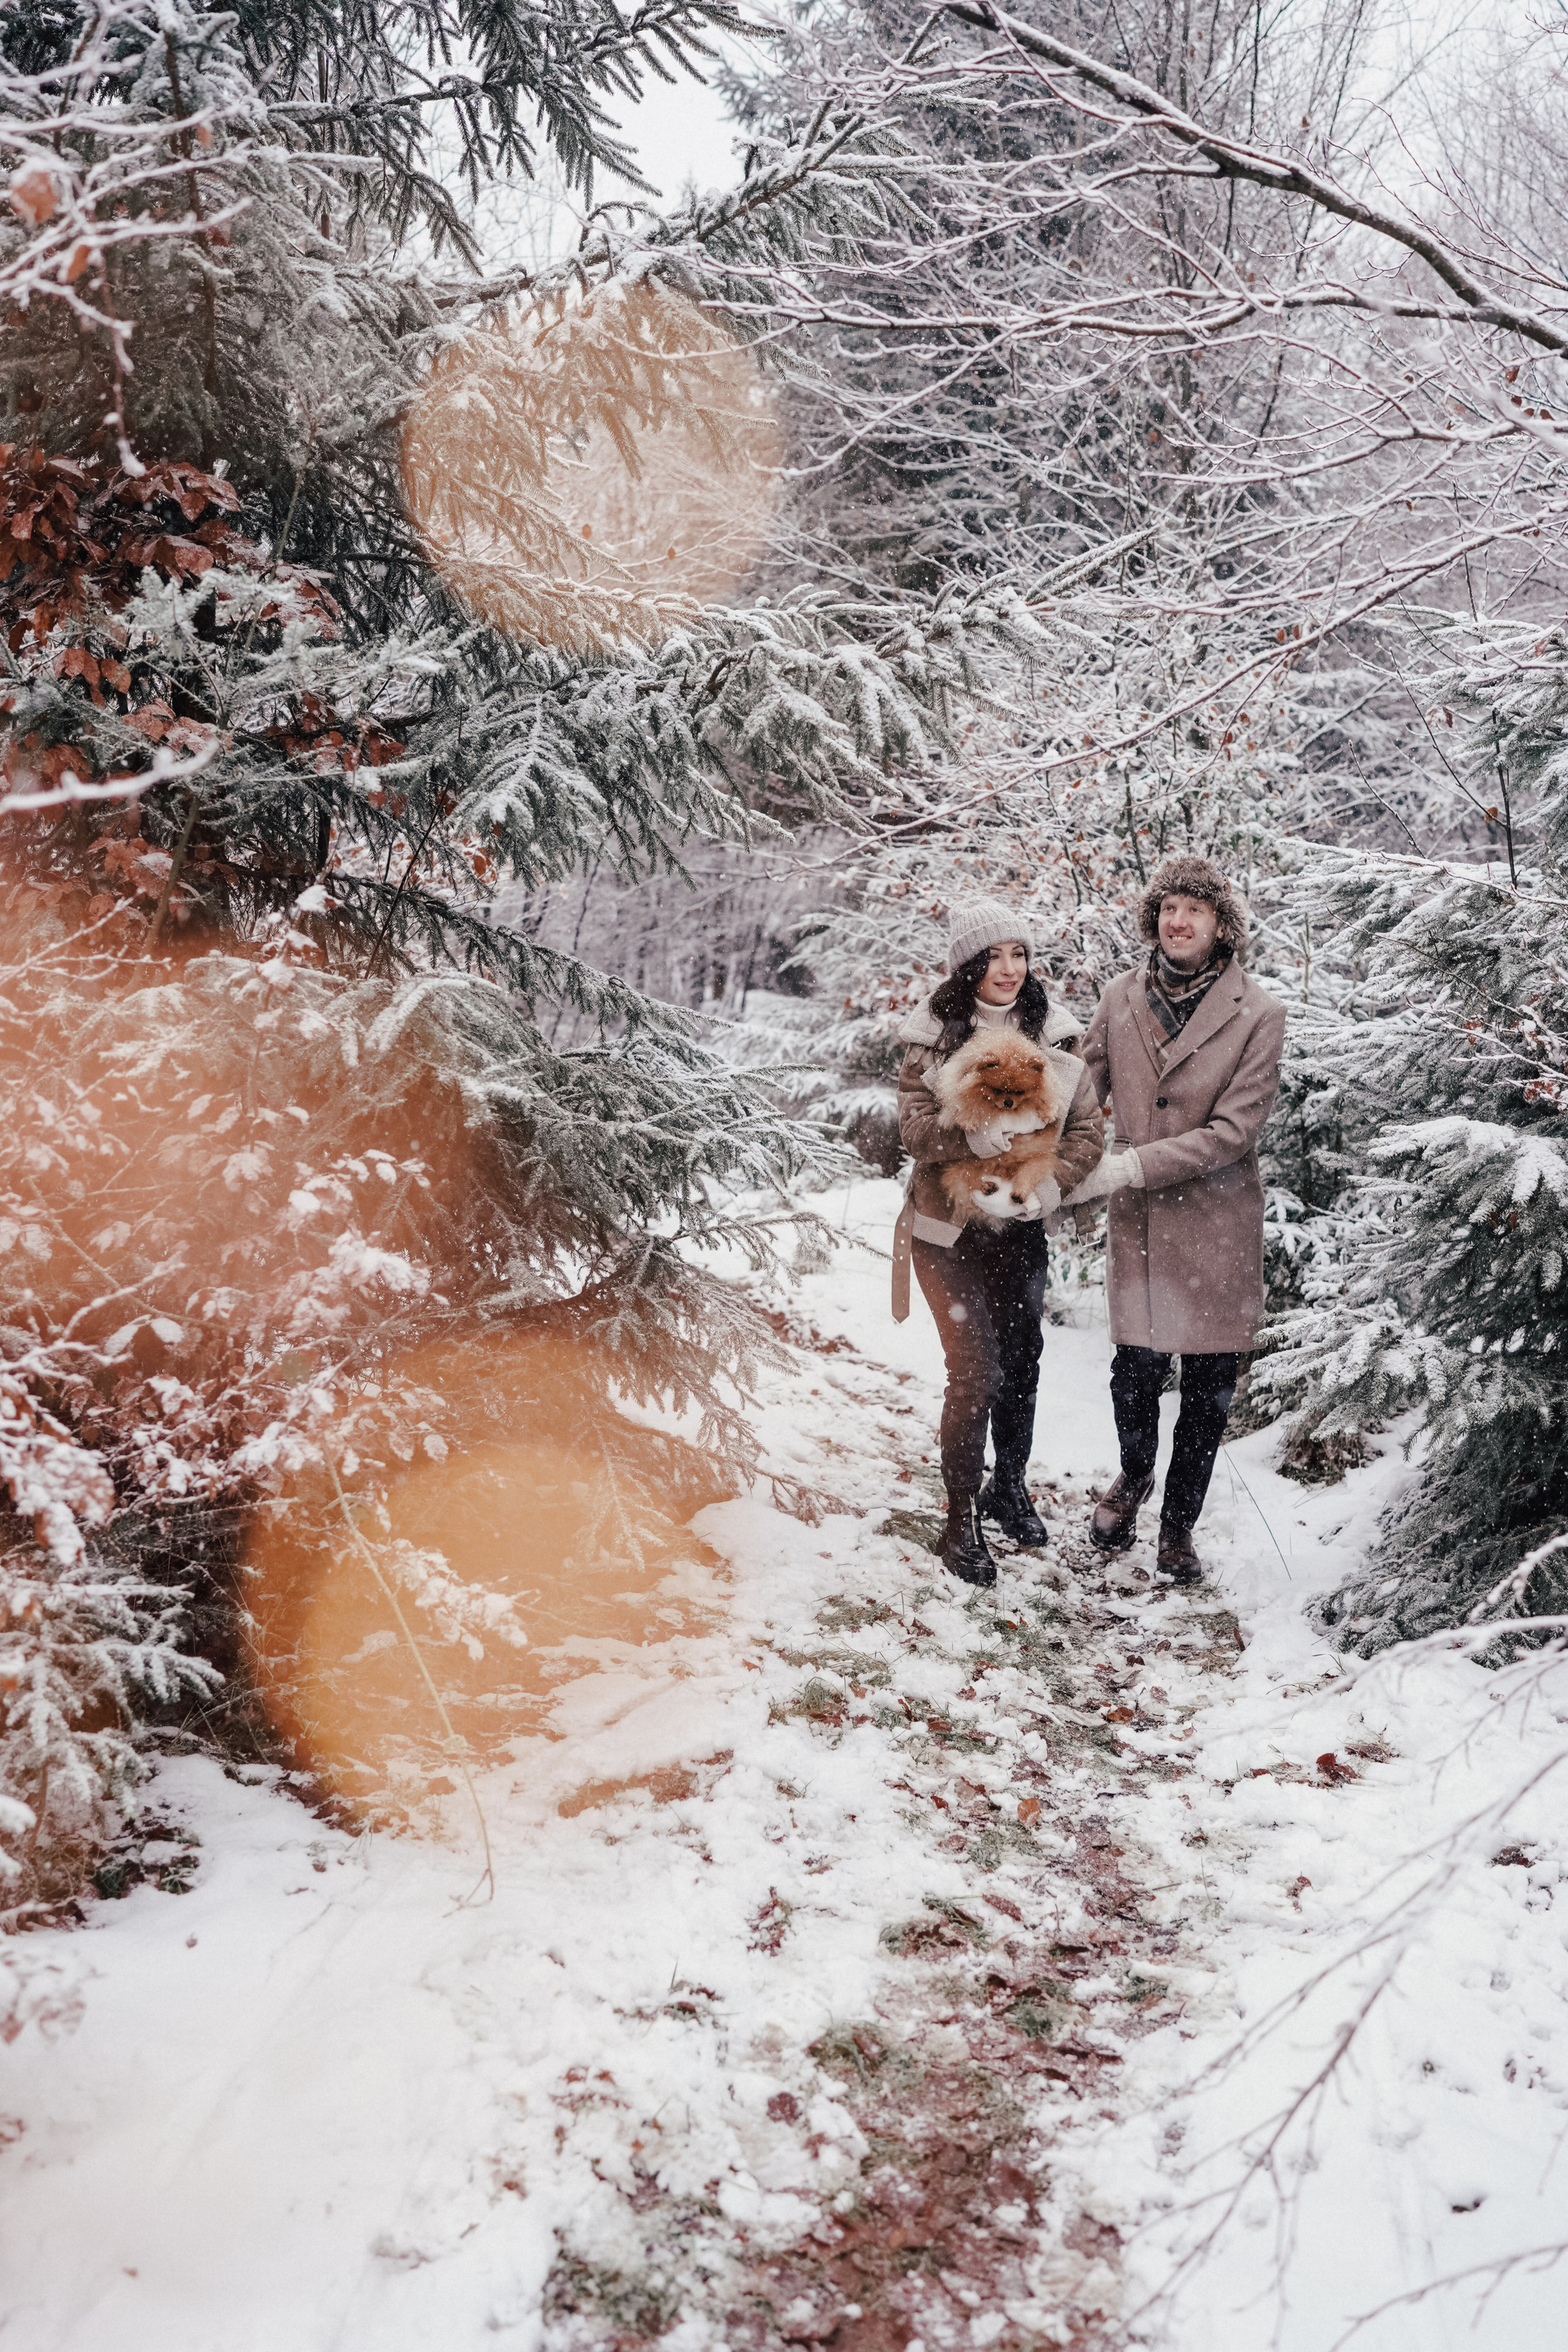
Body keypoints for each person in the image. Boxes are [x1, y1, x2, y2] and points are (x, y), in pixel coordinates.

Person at [1065, 854, 1286, 1585]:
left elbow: (1234, 1130)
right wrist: (1038, 1140)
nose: (1178, 921)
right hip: (1139, 1223)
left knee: (1206, 1386)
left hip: (1216, 1221)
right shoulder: (1122, 995)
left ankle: (1178, 1529)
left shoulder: (1258, 1014)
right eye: (1167, 909)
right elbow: (1080, 1087)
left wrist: (1132, 1165)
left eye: (1194, 910)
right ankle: (1132, 1480)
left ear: (1222, 926)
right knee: (1133, 1372)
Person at [892, 899, 1104, 1587]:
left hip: (1017, 1230)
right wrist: (966, 1136)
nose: (1008, 969)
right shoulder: (931, 1036)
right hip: (946, 1232)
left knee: (1022, 1364)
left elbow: (1086, 1135)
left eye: (1018, 954)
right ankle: (960, 1518)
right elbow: (913, 1132)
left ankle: (1007, 1487)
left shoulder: (1059, 1036)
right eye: (992, 956)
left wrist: (1047, 1190)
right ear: (967, 965)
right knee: (975, 1369)